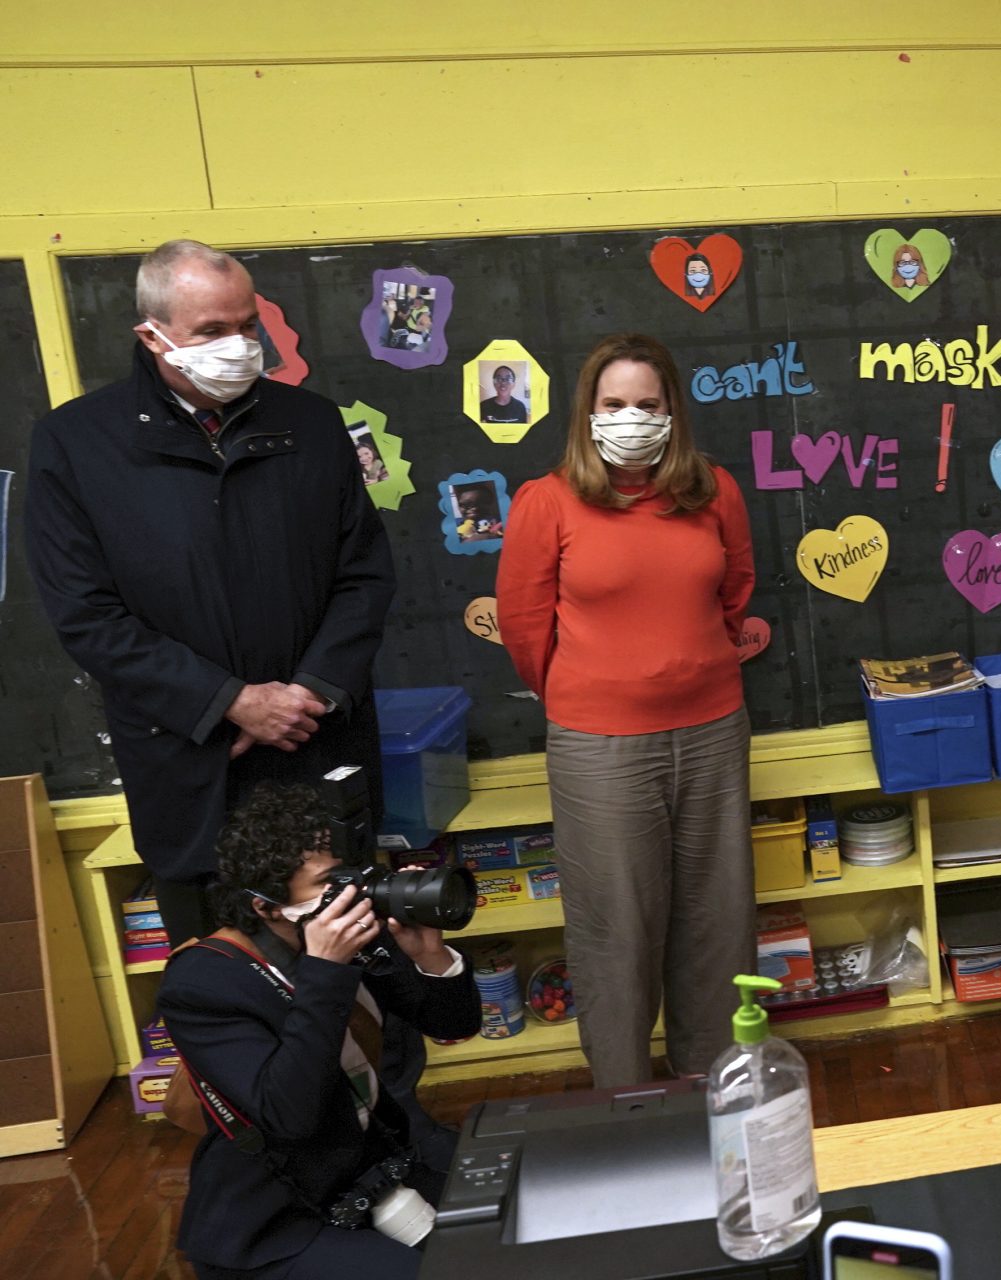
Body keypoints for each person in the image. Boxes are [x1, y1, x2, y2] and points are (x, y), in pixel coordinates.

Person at [26, 239, 395, 946]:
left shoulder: (312, 426)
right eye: (212, 332)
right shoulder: (76, 445)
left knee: (351, 972)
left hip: (316, 751)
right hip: (191, 769)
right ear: (152, 335)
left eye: (247, 324)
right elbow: (86, 616)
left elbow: (365, 576)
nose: (239, 345)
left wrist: (308, 693)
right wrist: (230, 702)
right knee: (225, 993)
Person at [496, 333, 755, 1089]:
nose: (632, 418)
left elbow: (734, 590)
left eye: (649, 404)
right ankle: (626, 1096)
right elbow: (523, 626)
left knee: (717, 918)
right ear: (588, 413)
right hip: (599, 747)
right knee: (618, 927)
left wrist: (687, 668)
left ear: (673, 411)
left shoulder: (714, 491)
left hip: (713, 729)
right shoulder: (547, 502)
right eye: (615, 405)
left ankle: (713, 1079)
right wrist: (596, 690)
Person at [158, 784, 480, 1280]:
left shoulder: (355, 932)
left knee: (507, 1228)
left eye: (354, 875)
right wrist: (325, 970)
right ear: (266, 906)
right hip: (279, 1214)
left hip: (372, 1169)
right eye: (331, 883)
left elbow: (454, 1024)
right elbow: (290, 1114)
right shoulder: (204, 982)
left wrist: (427, 954)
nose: (353, 894)